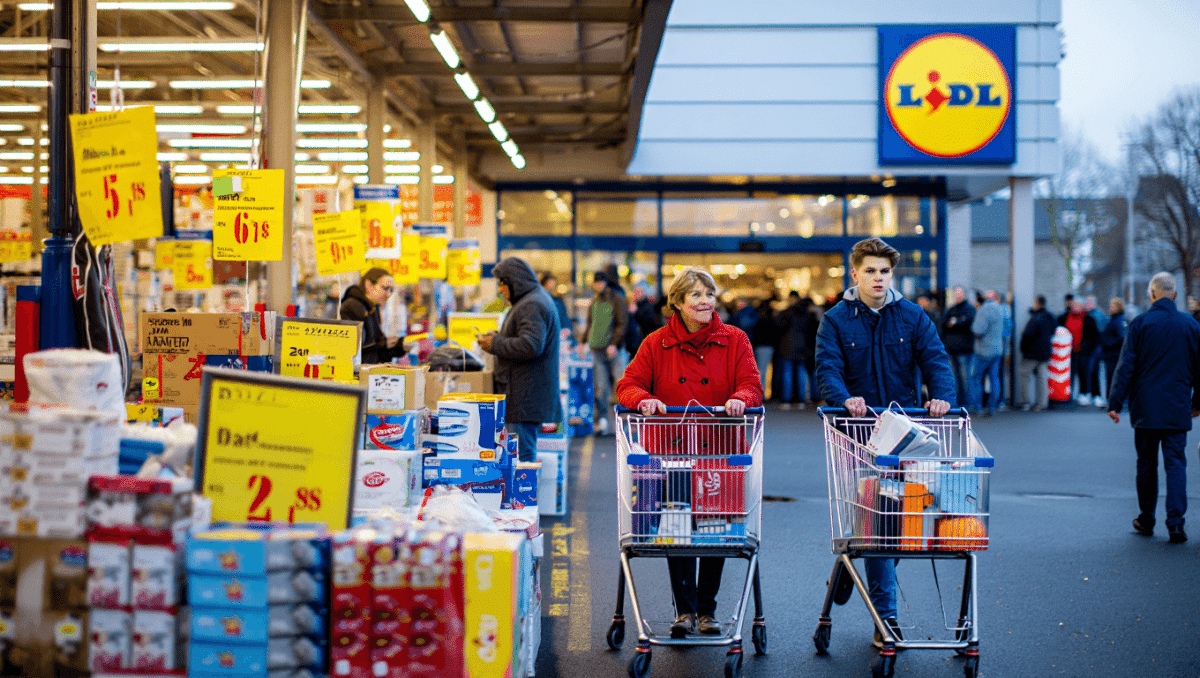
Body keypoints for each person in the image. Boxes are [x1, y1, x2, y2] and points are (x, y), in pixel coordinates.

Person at [815, 237, 955, 648]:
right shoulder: (837, 320)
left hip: (905, 437)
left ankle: (846, 572)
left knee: (893, 527)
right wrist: (843, 399)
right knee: (878, 525)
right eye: (871, 271)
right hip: (858, 437)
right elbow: (828, 369)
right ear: (854, 273)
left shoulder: (912, 317)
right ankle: (886, 619)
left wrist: (942, 395)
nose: (878, 278)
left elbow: (935, 359)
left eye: (885, 272)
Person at [616, 268, 763, 638]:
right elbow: (628, 385)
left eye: (709, 294)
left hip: (722, 452)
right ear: (678, 302)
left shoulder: (735, 339)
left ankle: (707, 612)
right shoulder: (656, 343)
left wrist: (739, 399)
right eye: (695, 295)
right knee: (679, 532)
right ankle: (684, 611)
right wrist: (644, 400)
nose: (704, 301)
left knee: (715, 533)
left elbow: (751, 385)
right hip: (672, 452)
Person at [1107, 272, 1200, 545]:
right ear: (1174, 295)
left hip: (1146, 408)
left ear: (1152, 294)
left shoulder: (1140, 324)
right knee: (1176, 464)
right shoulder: (1191, 326)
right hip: (1177, 406)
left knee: (1146, 464)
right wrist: (1197, 403)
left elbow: (1126, 367)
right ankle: (1176, 524)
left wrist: (1115, 402)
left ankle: (1146, 519)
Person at [478, 258, 564, 462]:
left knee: (522, 457)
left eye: (501, 283)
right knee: (521, 454)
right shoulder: (532, 300)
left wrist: (495, 344)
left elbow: (531, 345)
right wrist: (499, 337)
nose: (500, 289)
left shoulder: (531, 304)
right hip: (525, 395)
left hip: (525, 397)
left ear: (514, 282)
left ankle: (526, 495)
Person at [581, 270, 628, 436]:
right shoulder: (594, 300)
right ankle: (602, 421)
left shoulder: (617, 299)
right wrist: (582, 342)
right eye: (596, 282)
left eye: (600, 282)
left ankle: (627, 423)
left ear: (606, 283)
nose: (598, 285)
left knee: (622, 385)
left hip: (614, 350)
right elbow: (589, 323)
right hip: (597, 350)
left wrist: (614, 343)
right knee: (600, 388)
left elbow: (622, 323)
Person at [340, 267, 404, 365]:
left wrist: (399, 347)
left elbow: (377, 350)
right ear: (368, 285)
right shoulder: (352, 306)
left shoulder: (373, 307)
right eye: (385, 288)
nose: (388, 295)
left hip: (370, 371)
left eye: (391, 290)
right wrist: (389, 344)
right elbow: (357, 348)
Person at [1018, 295, 1057, 411]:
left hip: (1032, 353)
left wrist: (1023, 348)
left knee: (1023, 374)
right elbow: (1054, 330)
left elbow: (1028, 335)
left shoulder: (1035, 319)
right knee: (1042, 377)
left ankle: (1025, 401)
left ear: (1037, 303)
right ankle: (1042, 403)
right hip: (1045, 353)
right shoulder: (1050, 317)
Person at [1058, 299, 1099, 405]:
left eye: (1078, 305)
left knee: (1083, 373)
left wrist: (1087, 347)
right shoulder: (1064, 317)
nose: (1076, 307)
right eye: (1074, 305)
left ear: (1082, 306)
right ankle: (1067, 394)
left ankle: (1083, 394)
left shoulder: (1089, 319)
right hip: (1067, 351)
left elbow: (1094, 336)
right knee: (1068, 374)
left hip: (1083, 351)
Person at [970, 290, 1004, 416]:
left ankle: (977, 407)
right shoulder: (1000, 309)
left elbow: (977, 329)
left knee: (976, 378)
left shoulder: (984, 309)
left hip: (983, 350)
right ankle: (992, 407)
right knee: (995, 378)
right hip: (997, 350)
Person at [776, 291, 813, 409]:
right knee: (801, 373)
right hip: (802, 345)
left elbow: (778, 326)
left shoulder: (786, 312)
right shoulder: (806, 312)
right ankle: (801, 401)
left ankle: (786, 401)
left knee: (787, 373)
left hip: (788, 345)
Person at [941, 286, 976, 407]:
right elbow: (944, 324)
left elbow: (966, 323)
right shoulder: (951, 309)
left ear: (964, 295)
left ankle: (966, 403)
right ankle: (958, 402)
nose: (957, 296)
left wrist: (956, 322)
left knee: (965, 378)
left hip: (964, 350)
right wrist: (955, 322)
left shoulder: (970, 309)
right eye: (956, 294)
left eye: (959, 294)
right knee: (955, 378)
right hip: (952, 349)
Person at [1096, 297, 1128, 405]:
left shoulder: (1118, 320)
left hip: (1114, 354)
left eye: (1113, 306)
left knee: (1113, 378)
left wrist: (1108, 343)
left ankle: (1113, 400)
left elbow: (1121, 337)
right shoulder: (1116, 319)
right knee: (1111, 377)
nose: (1111, 308)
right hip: (1112, 354)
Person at [751, 297, 780, 394]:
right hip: (769, 346)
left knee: (761, 371)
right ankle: (765, 393)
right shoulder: (772, 320)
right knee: (765, 371)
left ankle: (760, 393)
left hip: (760, 346)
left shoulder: (758, 320)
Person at [628, 282, 664, 357]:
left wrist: (635, 312)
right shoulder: (634, 305)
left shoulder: (648, 306)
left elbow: (649, 323)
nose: (635, 294)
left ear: (643, 293)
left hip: (645, 344)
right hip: (635, 345)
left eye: (638, 292)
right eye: (634, 292)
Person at [540, 273, 573, 341]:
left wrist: (567, 329)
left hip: (557, 337)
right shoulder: (540, 300)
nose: (552, 286)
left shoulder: (558, 301)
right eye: (550, 283)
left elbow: (564, 318)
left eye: (553, 283)